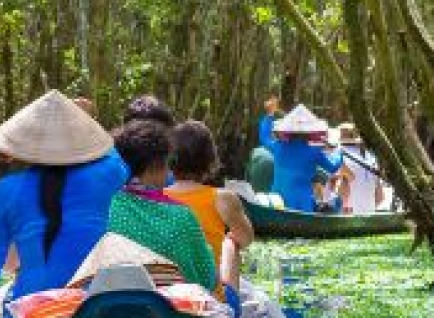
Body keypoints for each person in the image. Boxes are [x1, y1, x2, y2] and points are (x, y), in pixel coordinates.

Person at [0, 91, 121, 318]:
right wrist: (84, 123)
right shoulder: (108, 175)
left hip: (31, 312)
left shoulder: (7, 189)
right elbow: (112, 154)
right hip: (95, 303)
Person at [101, 119, 220, 291]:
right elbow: (206, 280)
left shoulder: (105, 206)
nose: (169, 171)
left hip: (116, 302)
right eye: (167, 164)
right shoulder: (181, 216)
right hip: (171, 312)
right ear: (154, 167)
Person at [165, 120, 255, 292]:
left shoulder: (157, 196)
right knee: (232, 243)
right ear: (210, 159)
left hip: (172, 294)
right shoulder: (223, 198)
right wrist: (228, 240)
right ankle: (230, 307)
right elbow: (246, 238)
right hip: (211, 297)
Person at [268, 103, 344, 213]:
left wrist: (268, 116)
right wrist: (339, 152)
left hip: (276, 199)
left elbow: (264, 136)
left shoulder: (277, 145)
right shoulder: (314, 151)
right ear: (311, 132)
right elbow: (333, 167)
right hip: (301, 202)